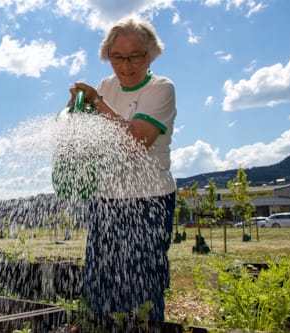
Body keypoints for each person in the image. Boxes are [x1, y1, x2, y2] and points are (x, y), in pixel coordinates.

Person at [67, 17, 177, 325]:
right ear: (108, 56)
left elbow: (137, 140)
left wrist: (97, 103)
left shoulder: (161, 88)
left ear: (150, 54)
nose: (126, 65)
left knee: (142, 286)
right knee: (100, 284)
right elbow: (86, 132)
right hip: (106, 199)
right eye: (117, 57)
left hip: (148, 200)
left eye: (135, 56)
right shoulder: (105, 86)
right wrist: (75, 109)